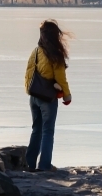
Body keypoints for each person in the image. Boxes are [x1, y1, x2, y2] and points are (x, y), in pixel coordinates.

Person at [23, 20, 72, 171]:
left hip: (34, 97)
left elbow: (29, 73)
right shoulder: (55, 54)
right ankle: (44, 166)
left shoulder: (36, 51)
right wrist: (67, 95)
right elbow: (60, 77)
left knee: (36, 130)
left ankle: (29, 164)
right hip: (47, 99)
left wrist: (29, 91)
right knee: (48, 131)